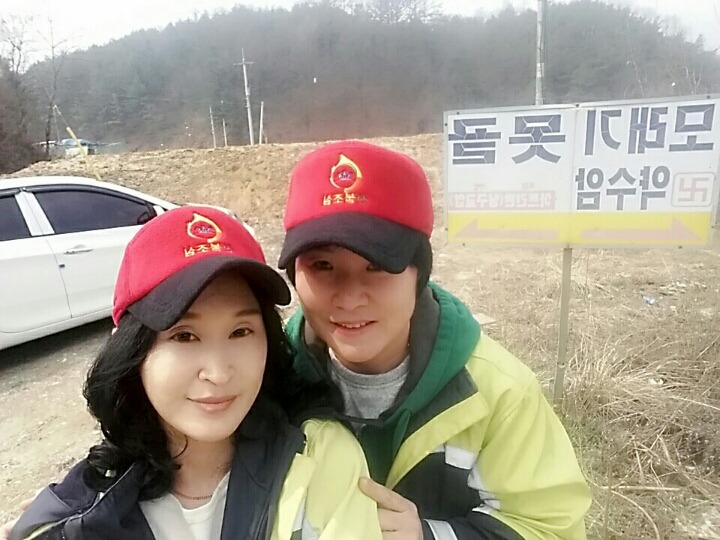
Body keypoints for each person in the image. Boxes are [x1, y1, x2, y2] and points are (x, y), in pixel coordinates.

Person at [277, 140, 592, 540]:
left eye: (377, 265)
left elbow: (551, 528)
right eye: (323, 266)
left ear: (419, 274)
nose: (350, 298)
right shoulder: (266, 383)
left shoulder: (496, 395)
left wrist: (429, 535)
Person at [8, 205, 382, 540]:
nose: (218, 373)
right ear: (134, 350)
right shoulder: (82, 515)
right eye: (185, 336)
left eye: (241, 332)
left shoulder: (320, 459)